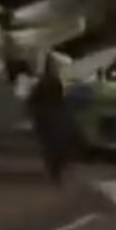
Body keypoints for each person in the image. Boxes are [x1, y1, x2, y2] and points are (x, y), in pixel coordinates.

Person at [24, 50, 76, 185]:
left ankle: (56, 171)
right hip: (48, 118)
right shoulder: (46, 82)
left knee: (55, 146)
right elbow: (33, 101)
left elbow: (32, 102)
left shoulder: (51, 81)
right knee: (53, 147)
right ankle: (55, 172)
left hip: (51, 117)